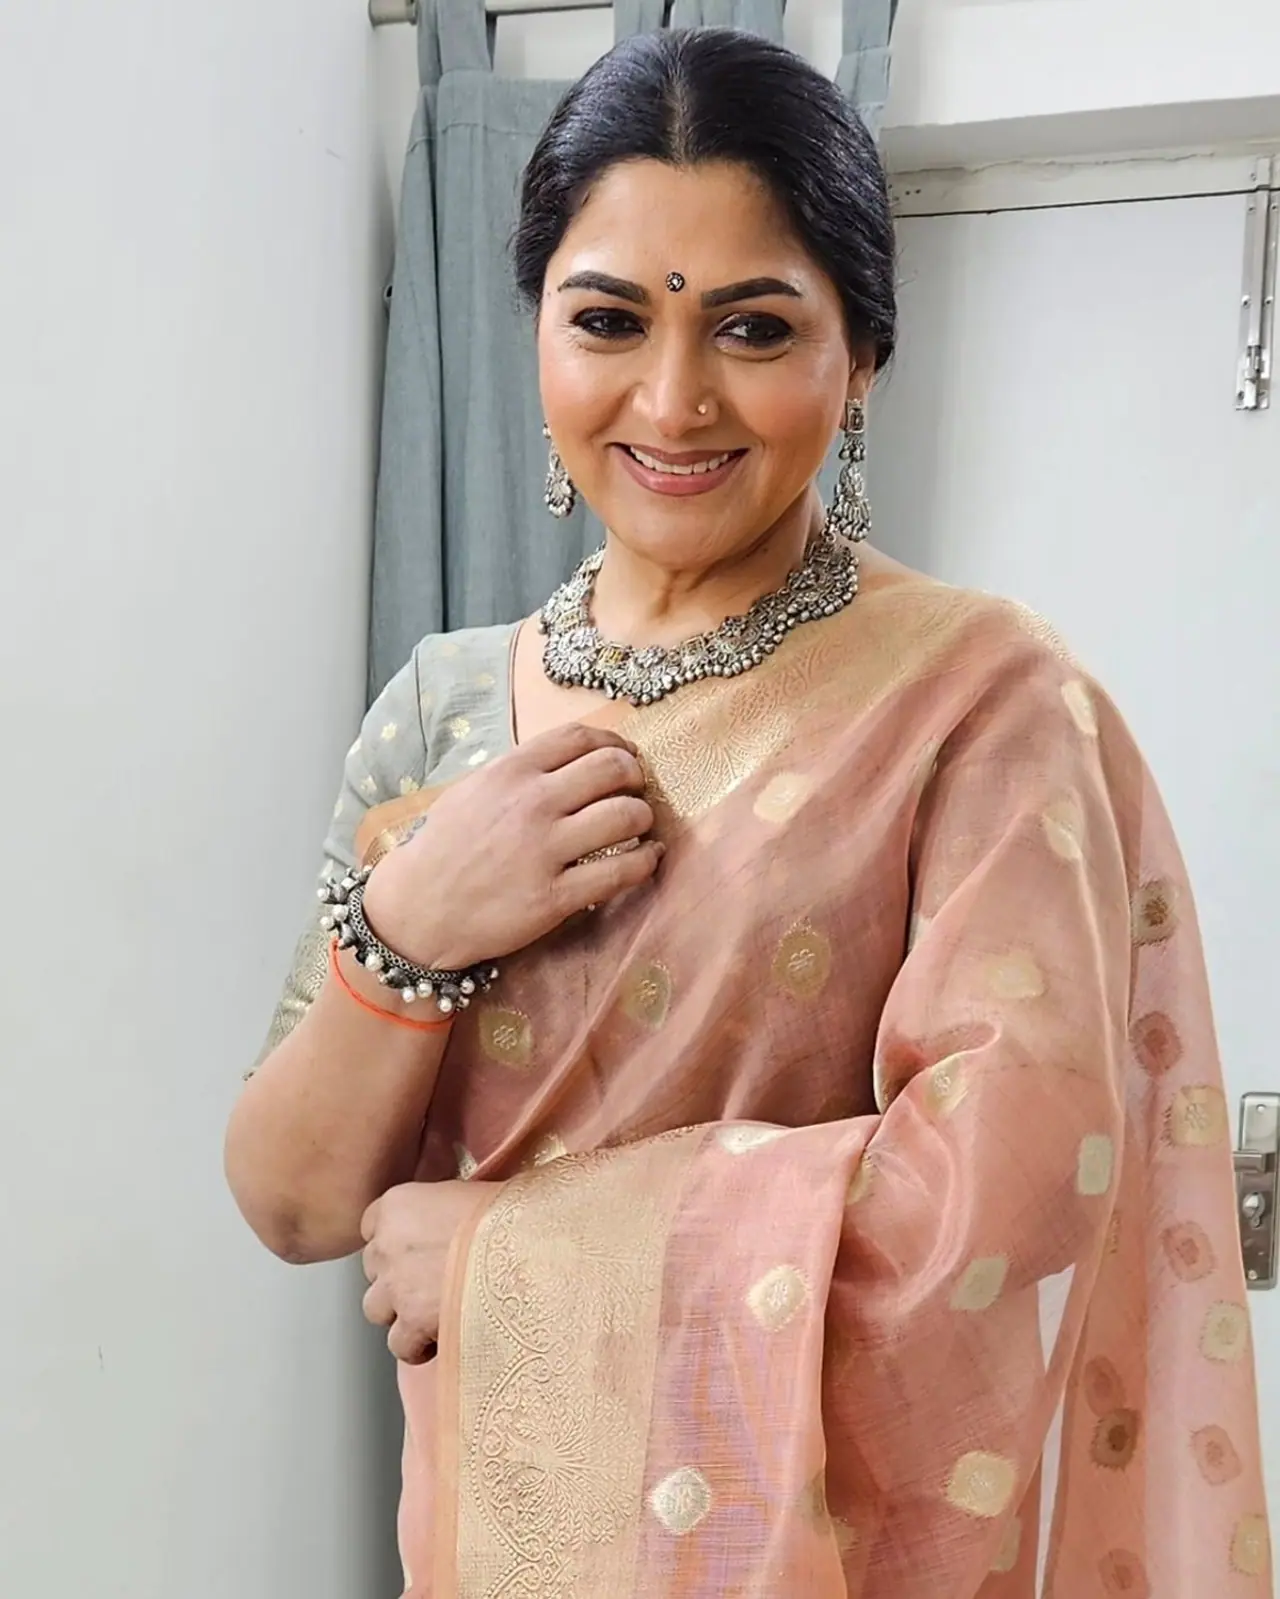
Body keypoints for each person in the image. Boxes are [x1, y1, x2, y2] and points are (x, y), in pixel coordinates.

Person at [224, 27, 1271, 1599]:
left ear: (862, 361)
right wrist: (410, 928)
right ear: (535, 332)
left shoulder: (976, 699)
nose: (672, 397)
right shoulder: (440, 706)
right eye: (608, 318)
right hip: (490, 1536)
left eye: (755, 328)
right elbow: (298, 1199)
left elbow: (1009, 1182)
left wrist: (512, 1258)